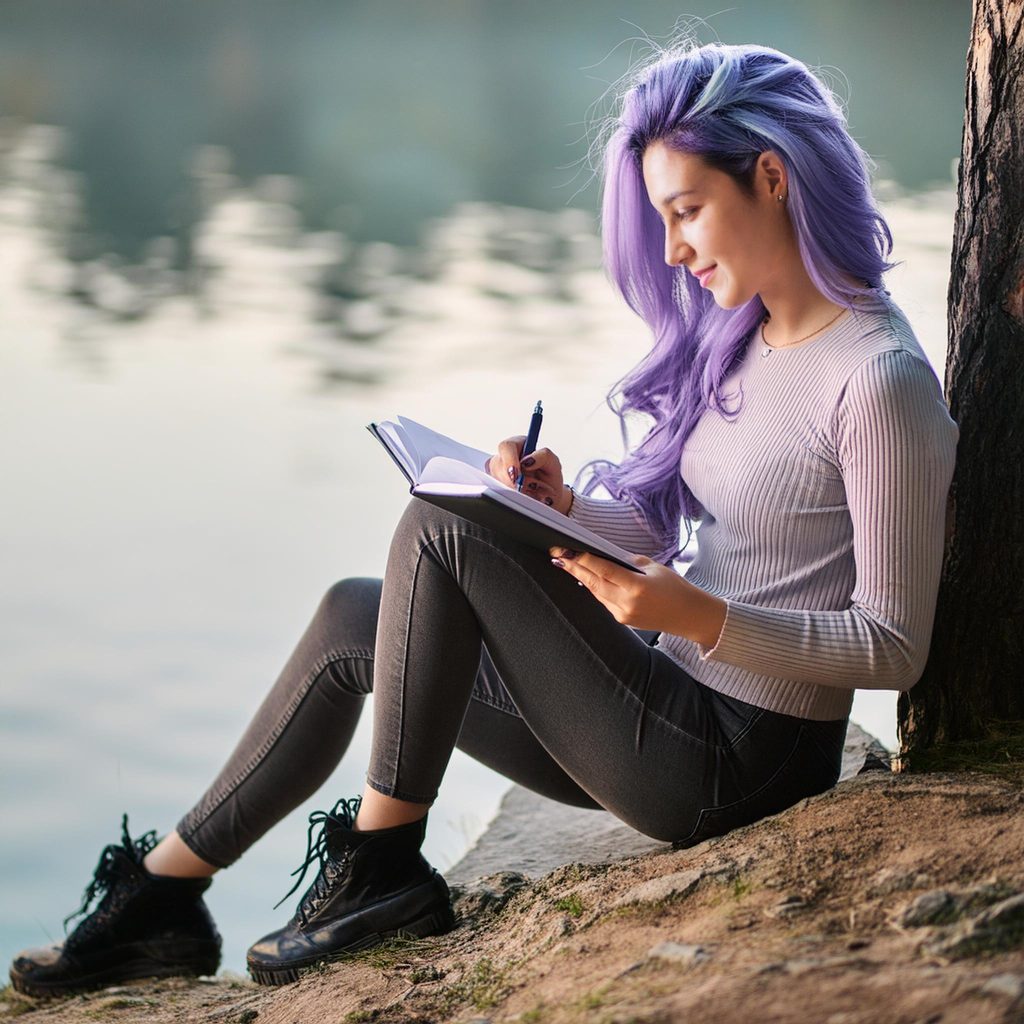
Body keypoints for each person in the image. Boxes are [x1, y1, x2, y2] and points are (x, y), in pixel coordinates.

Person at [10, 40, 958, 997]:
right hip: (665, 701)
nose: (672, 250)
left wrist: (701, 619)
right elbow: (722, 535)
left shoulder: (877, 382)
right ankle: (163, 900)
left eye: (685, 212)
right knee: (354, 614)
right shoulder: (743, 334)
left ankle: (383, 868)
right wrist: (561, 507)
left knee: (443, 529)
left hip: (738, 759)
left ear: (770, 176)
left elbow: (893, 647)